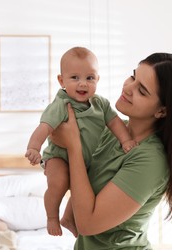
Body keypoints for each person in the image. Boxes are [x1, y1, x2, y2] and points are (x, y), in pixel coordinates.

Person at [50, 52, 172, 250]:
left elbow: (87, 224)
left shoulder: (151, 160)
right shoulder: (112, 131)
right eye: (133, 77)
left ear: (162, 111)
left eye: (141, 90)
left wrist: (73, 145)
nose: (128, 88)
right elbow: (84, 173)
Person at [25, 47, 136, 236]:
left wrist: (125, 140)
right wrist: (34, 147)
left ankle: (69, 218)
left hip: (85, 159)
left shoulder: (100, 103)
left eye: (89, 78)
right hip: (59, 157)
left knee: (90, 184)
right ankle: (52, 217)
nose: (83, 84)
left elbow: (114, 122)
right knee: (59, 182)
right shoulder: (62, 105)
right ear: (62, 81)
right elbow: (44, 127)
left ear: (97, 79)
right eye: (75, 78)